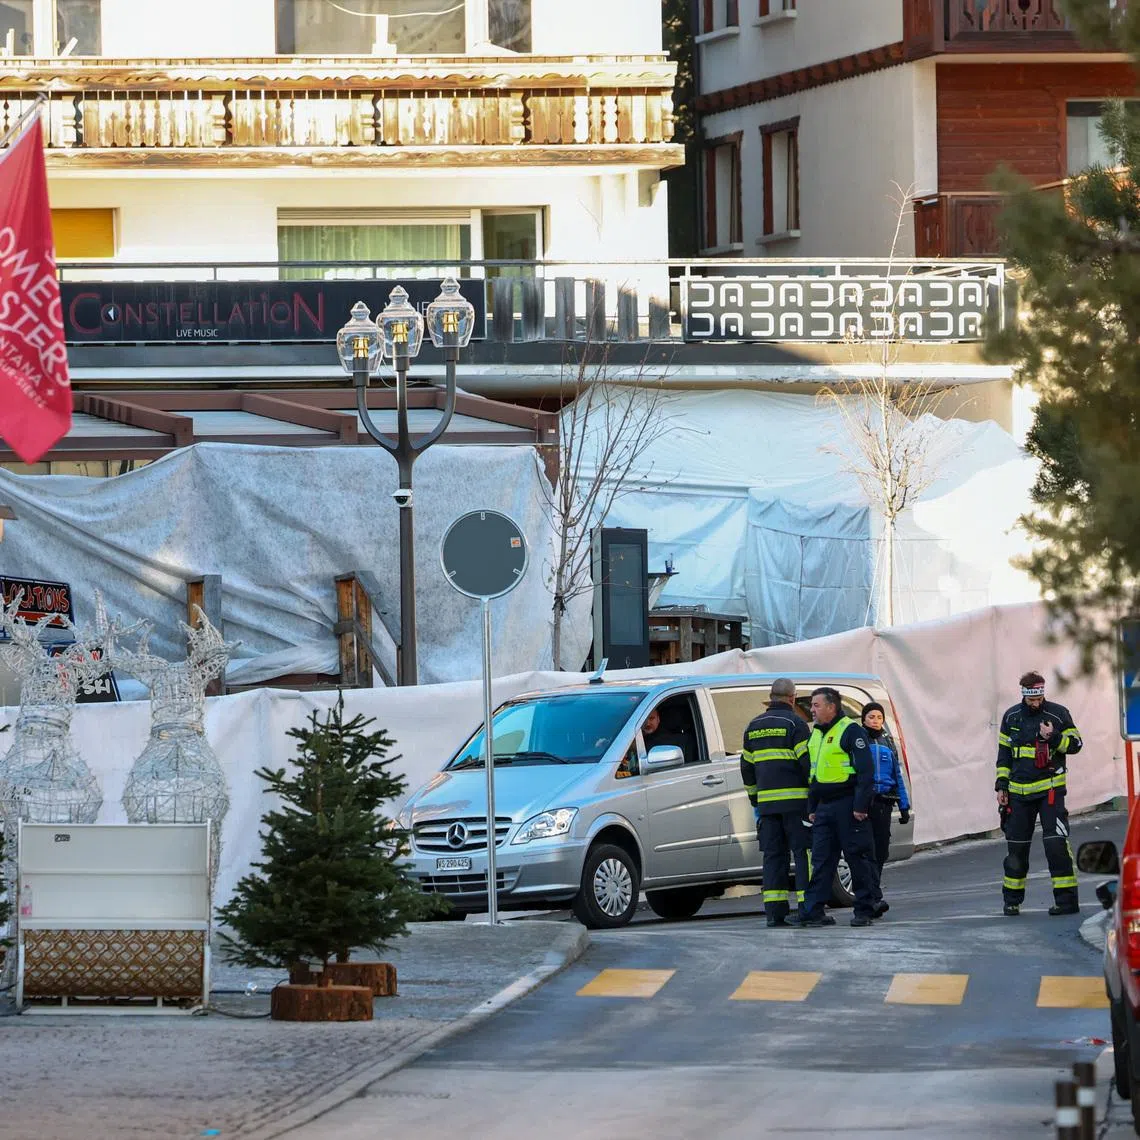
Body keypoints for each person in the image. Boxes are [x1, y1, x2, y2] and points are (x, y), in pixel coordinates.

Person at [788, 687, 880, 929]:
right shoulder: (816, 734)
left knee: (856, 857)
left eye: (817, 705)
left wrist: (860, 805)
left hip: (849, 804)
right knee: (821, 859)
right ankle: (813, 911)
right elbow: (815, 774)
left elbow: (866, 772)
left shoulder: (850, 731)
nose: (813, 710)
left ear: (832, 706)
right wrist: (813, 805)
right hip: (825, 807)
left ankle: (864, 909)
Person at [996, 670, 1084, 917]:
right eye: (1031, 699)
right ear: (1024, 695)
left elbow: (1076, 745)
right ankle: (1011, 902)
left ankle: (1067, 902)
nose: (1036, 703)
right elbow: (1004, 755)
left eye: (1039, 698)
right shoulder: (1011, 716)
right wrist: (1001, 786)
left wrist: (1054, 737)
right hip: (1018, 795)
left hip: (1051, 792)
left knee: (1056, 846)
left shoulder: (1058, 713)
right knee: (1016, 851)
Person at [740, 678, 812, 927]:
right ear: (792, 698)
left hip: (768, 807)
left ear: (771, 697)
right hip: (796, 804)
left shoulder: (753, 726)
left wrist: (755, 799)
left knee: (773, 858)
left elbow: (747, 768)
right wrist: (814, 796)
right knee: (804, 855)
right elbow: (806, 764)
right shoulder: (796, 724)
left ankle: (774, 913)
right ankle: (808, 908)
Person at [861, 701, 910, 917]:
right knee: (867, 850)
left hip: (885, 801)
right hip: (865, 802)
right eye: (871, 717)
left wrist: (904, 804)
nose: (875, 721)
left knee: (881, 850)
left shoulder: (888, 742)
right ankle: (873, 896)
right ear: (863, 719)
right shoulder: (859, 740)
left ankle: (874, 889)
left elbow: (897, 774)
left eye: (879, 717)